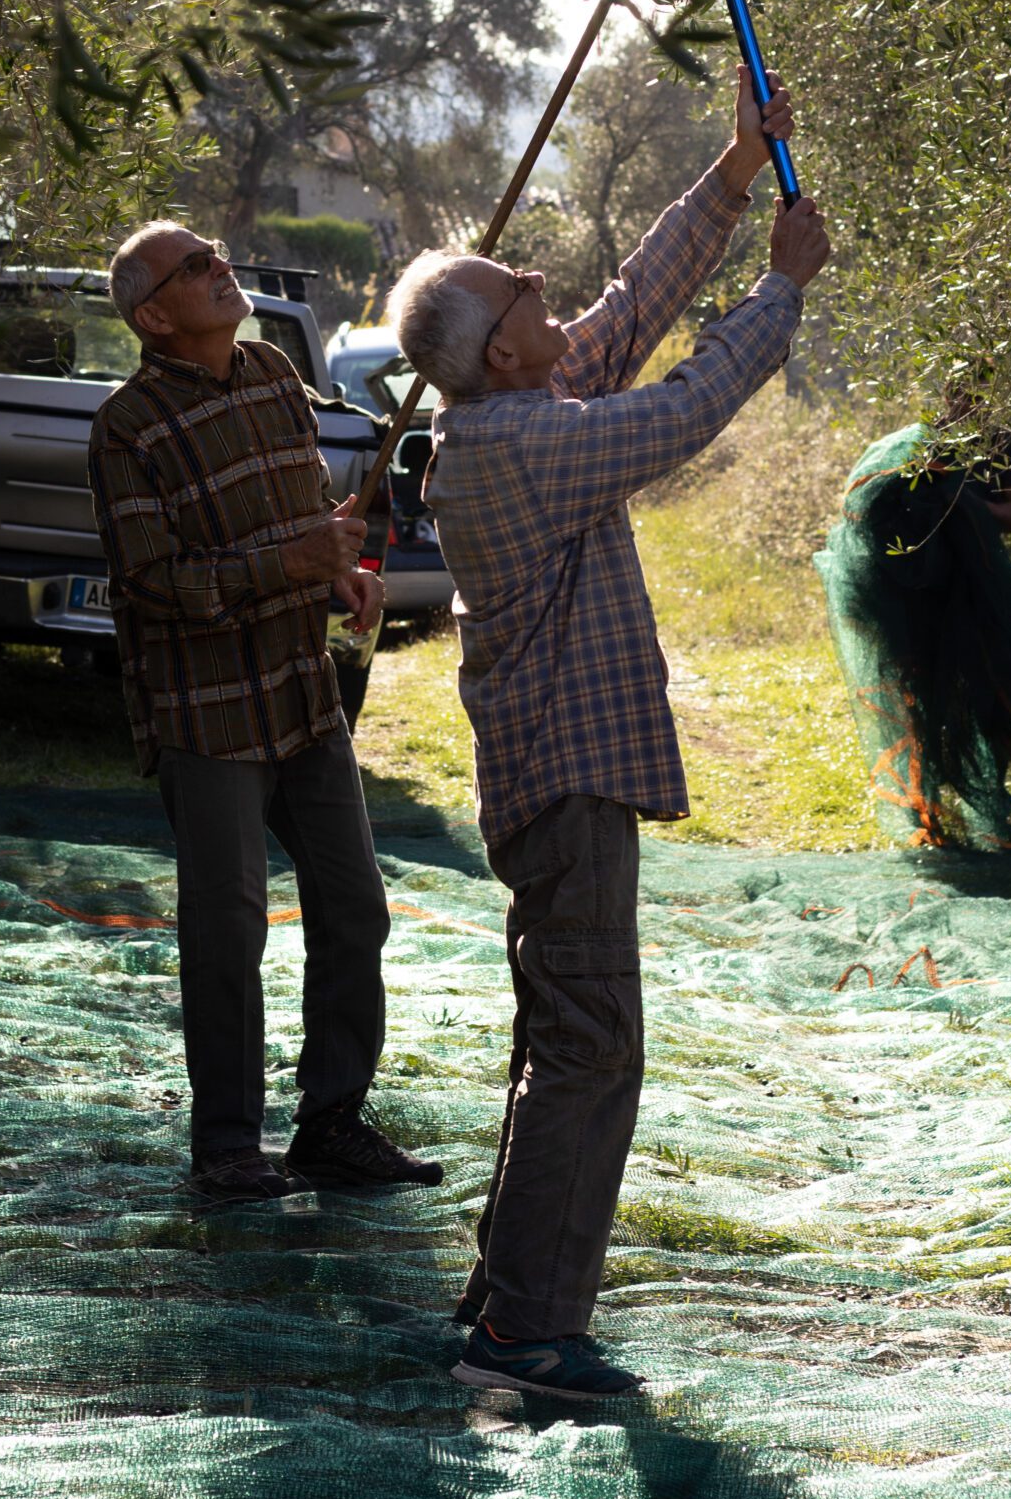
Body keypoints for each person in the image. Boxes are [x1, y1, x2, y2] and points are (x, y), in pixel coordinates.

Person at [387, 70, 832, 1402]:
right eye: (521, 291)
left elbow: (632, 309)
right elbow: (678, 409)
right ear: (503, 354)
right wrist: (781, 289)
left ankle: (506, 1308)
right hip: (564, 788)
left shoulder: (514, 404)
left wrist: (734, 170)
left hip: (555, 783)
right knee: (588, 1046)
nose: (541, 287)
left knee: (564, 1040)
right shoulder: (520, 443)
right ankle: (525, 1338)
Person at [88, 221, 442, 1204]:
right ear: (153, 314)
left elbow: (301, 521)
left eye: (215, 254)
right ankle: (228, 1149)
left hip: (301, 691)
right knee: (227, 928)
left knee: (354, 908)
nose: (218, 268)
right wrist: (289, 562)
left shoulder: (275, 376)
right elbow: (152, 582)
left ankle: (330, 1127)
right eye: (194, 266)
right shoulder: (126, 426)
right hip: (204, 711)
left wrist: (341, 578)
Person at [815, 378, 1011, 851]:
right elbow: (865, 507)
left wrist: (961, 500)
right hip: (919, 603)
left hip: (984, 597)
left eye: (980, 390)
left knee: (994, 702)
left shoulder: (1001, 443)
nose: (969, 400)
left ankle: (995, 815)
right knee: (920, 704)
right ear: (945, 392)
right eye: (960, 390)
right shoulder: (918, 443)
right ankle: (928, 819)